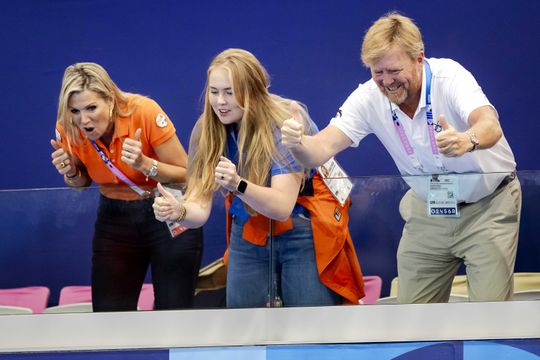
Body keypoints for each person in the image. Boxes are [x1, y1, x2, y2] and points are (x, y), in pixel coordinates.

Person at [281, 12, 521, 304]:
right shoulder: (368, 97)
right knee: (411, 319)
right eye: (377, 72)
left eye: (394, 71)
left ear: (419, 58)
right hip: (428, 209)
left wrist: (466, 140)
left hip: (488, 207)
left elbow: (489, 125)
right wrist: (297, 143)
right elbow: (319, 149)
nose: (386, 82)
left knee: (489, 318)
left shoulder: (451, 77)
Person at [153, 48, 364, 308]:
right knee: (245, 326)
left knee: (309, 327)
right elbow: (200, 209)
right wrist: (180, 211)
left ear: (253, 90)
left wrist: (237, 184)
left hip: (302, 229)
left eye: (230, 92)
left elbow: (281, 207)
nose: (220, 101)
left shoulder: (283, 122)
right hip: (249, 230)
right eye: (214, 91)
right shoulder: (205, 129)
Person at [50, 62, 203, 311]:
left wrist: (146, 164)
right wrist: (71, 172)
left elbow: (188, 175)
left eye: (91, 108)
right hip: (114, 218)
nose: (83, 119)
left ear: (110, 100)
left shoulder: (144, 111)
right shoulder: (67, 127)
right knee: (110, 315)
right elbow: (81, 183)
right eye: (74, 111)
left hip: (166, 210)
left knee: (174, 312)